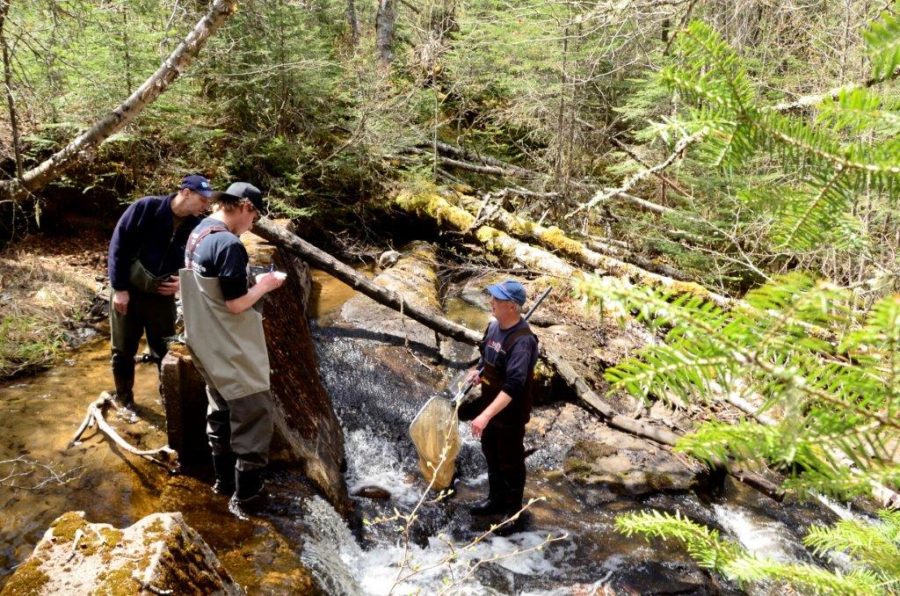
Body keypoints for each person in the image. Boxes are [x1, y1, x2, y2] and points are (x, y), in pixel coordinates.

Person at [178, 182, 285, 515]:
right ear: (244, 208)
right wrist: (265, 285)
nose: (253, 226)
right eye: (254, 218)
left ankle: (223, 484)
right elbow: (237, 304)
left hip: (203, 340)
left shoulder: (200, 231)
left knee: (221, 409)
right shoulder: (228, 245)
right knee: (254, 416)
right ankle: (248, 501)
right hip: (230, 345)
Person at [107, 174, 216, 412]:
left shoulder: (195, 226)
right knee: (123, 350)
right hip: (130, 293)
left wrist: (183, 283)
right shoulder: (146, 208)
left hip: (162, 298)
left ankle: (168, 403)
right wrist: (120, 288)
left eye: (208, 201)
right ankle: (124, 401)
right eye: (203, 199)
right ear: (186, 193)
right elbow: (118, 246)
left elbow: (199, 261)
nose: (206, 206)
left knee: (165, 350)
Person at [460, 280, 539, 519]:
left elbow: (514, 385)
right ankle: (495, 500)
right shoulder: (493, 327)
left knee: (510, 461)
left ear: (513, 307)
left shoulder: (523, 341)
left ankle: (513, 511)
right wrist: (478, 371)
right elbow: (487, 358)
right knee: (491, 453)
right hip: (490, 405)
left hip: (510, 414)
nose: (491, 301)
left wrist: (484, 416)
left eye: (497, 299)